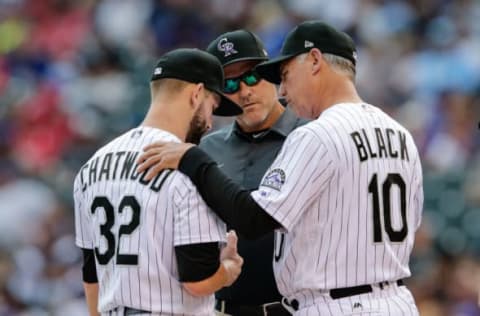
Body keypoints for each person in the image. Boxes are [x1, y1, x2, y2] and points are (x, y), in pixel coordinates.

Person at [137, 21, 423, 316]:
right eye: (230, 85)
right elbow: (410, 222)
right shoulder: (399, 134)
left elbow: (254, 218)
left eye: (278, 75)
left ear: (314, 61)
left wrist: (192, 160)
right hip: (390, 299)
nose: (283, 88)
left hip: (326, 303)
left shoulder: (316, 135)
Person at [73, 48, 244, 316]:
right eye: (213, 105)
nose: (211, 123)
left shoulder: (91, 166)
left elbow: (91, 275)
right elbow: (197, 282)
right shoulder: (187, 166)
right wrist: (228, 270)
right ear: (197, 93)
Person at [203, 30, 307, 316]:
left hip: (294, 308)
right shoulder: (207, 148)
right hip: (226, 308)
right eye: (231, 84)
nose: (245, 91)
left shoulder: (310, 136)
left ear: (272, 74)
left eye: (252, 76)